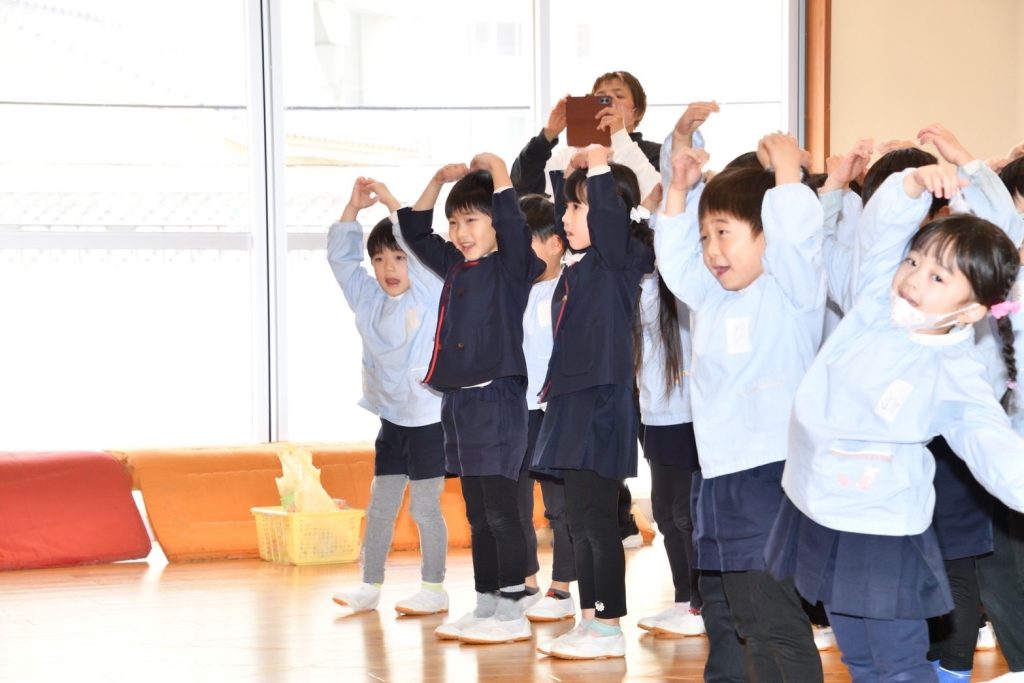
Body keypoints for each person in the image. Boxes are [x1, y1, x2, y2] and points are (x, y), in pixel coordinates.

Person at [768, 164, 1024, 681]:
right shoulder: (875, 305)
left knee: (898, 664)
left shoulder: (955, 371)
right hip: (820, 507)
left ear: (972, 311)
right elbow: (882, 232)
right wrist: (912, 184)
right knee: (858, 657)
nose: (912, 277)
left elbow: (995, 448)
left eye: (937, 277)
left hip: (882, 528)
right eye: (914, 260)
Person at [655, 123, 825, 681]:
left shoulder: (790, 291)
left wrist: (787, 174)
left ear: (766, 234)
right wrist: (678, 192)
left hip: (771, 475)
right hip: (719, 477)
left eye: (724, 233)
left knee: (775, 618)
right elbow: (675, 263)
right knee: (737, 617)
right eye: (705, 236)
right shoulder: (712, 296)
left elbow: (798, 239)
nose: (711, 250)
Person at [398, 154, 545, 645]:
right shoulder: (457, 267)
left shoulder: (511, 267)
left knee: (501, 512)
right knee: (478, 515)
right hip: (460, 405)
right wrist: (437, 181)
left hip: (496, 402)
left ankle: (513, 608)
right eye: (455, 223)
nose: (461, 233)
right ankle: (486, 605)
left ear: (496, 225)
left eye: (472, 221)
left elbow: (514, 226)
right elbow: (415, 231)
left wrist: (500, 172)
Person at [531, 144, 655, 660]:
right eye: (566, 206)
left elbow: (608, 222)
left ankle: (608, 626)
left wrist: (600, 166)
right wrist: (571, 175)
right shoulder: (579, 268)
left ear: (610, 213)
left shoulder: (619, 259)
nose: (565, 217)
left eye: (577, 207)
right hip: (571, 405)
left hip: (602, 406)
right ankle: (589, 620)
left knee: (599, 523)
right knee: (578, 522)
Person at [327, 177, 449, 616]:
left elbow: (417, 244)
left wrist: (394, 203)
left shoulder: (430, 293)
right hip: (393, 419)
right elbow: (342, 262)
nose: (388, 268)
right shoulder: (368, 298)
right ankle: (369, 585)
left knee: (425, 507)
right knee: (380, 505)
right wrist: (353, 209)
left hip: (430, 420)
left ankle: (434, 588)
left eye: (398, 258)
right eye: (379, 259)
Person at [632, 225, 705, 639]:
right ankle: (683, 600)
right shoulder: (638, 288)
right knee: (664, 513)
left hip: (686, 416)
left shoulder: (675, 286)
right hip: (654, 416)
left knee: (684, 514)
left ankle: (699, 604)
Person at [517, 193, 579, 624]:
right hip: (517, 408)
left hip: (555, 408)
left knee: (559, 505)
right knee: (517, 500)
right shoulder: (514, 288)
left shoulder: (571, 286)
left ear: (556, 244)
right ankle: (526, 582)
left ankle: (562, 588)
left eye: (527, 243)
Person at [511, 70, 664, 199]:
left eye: (619, 96)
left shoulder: (656, 153)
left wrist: (619, 135)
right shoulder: (573, 154)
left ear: (637, 112)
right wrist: (547, 136)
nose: (610, 102)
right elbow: (523, 186)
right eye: (601, 98)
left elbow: (656, 199)